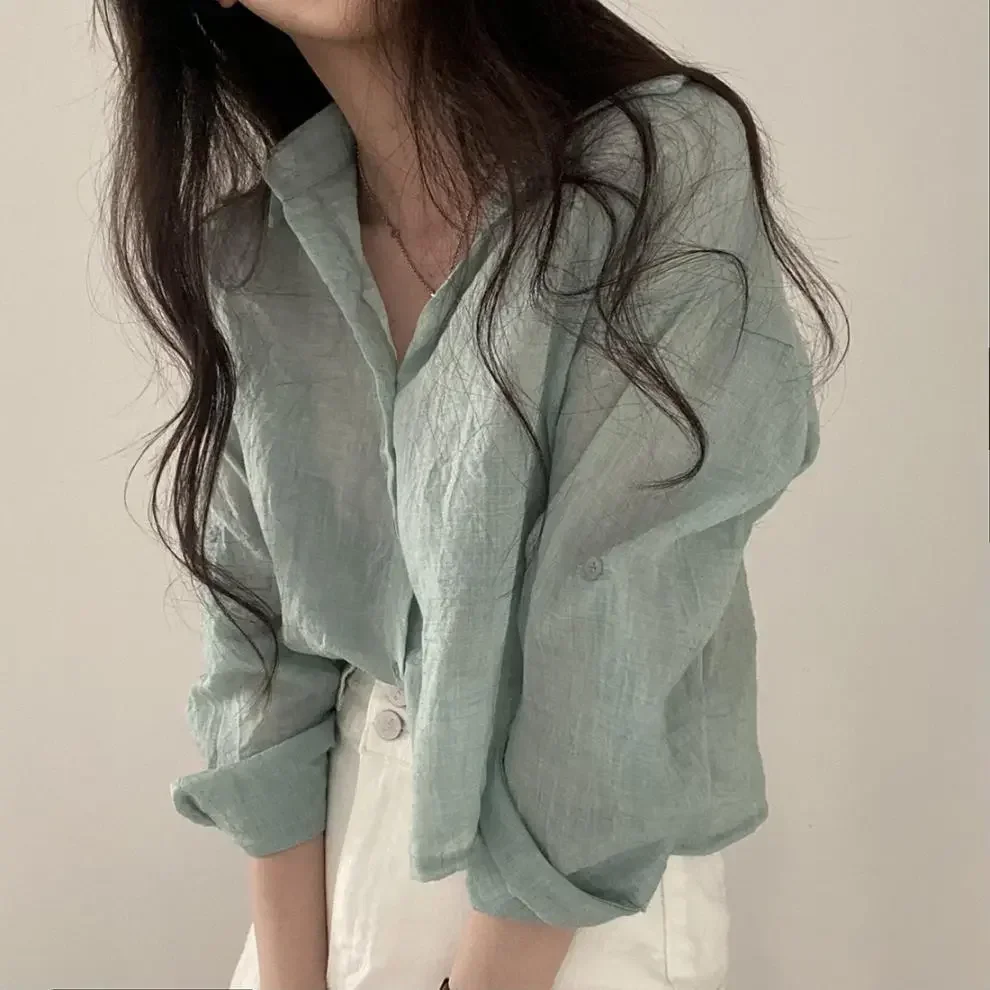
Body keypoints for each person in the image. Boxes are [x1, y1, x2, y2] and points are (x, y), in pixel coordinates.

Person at [93, 1, 847, 988]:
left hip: (577, 913)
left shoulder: (654, 165)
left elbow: (615, 622)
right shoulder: (257, 252)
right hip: (334, 876)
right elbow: (259, 650)